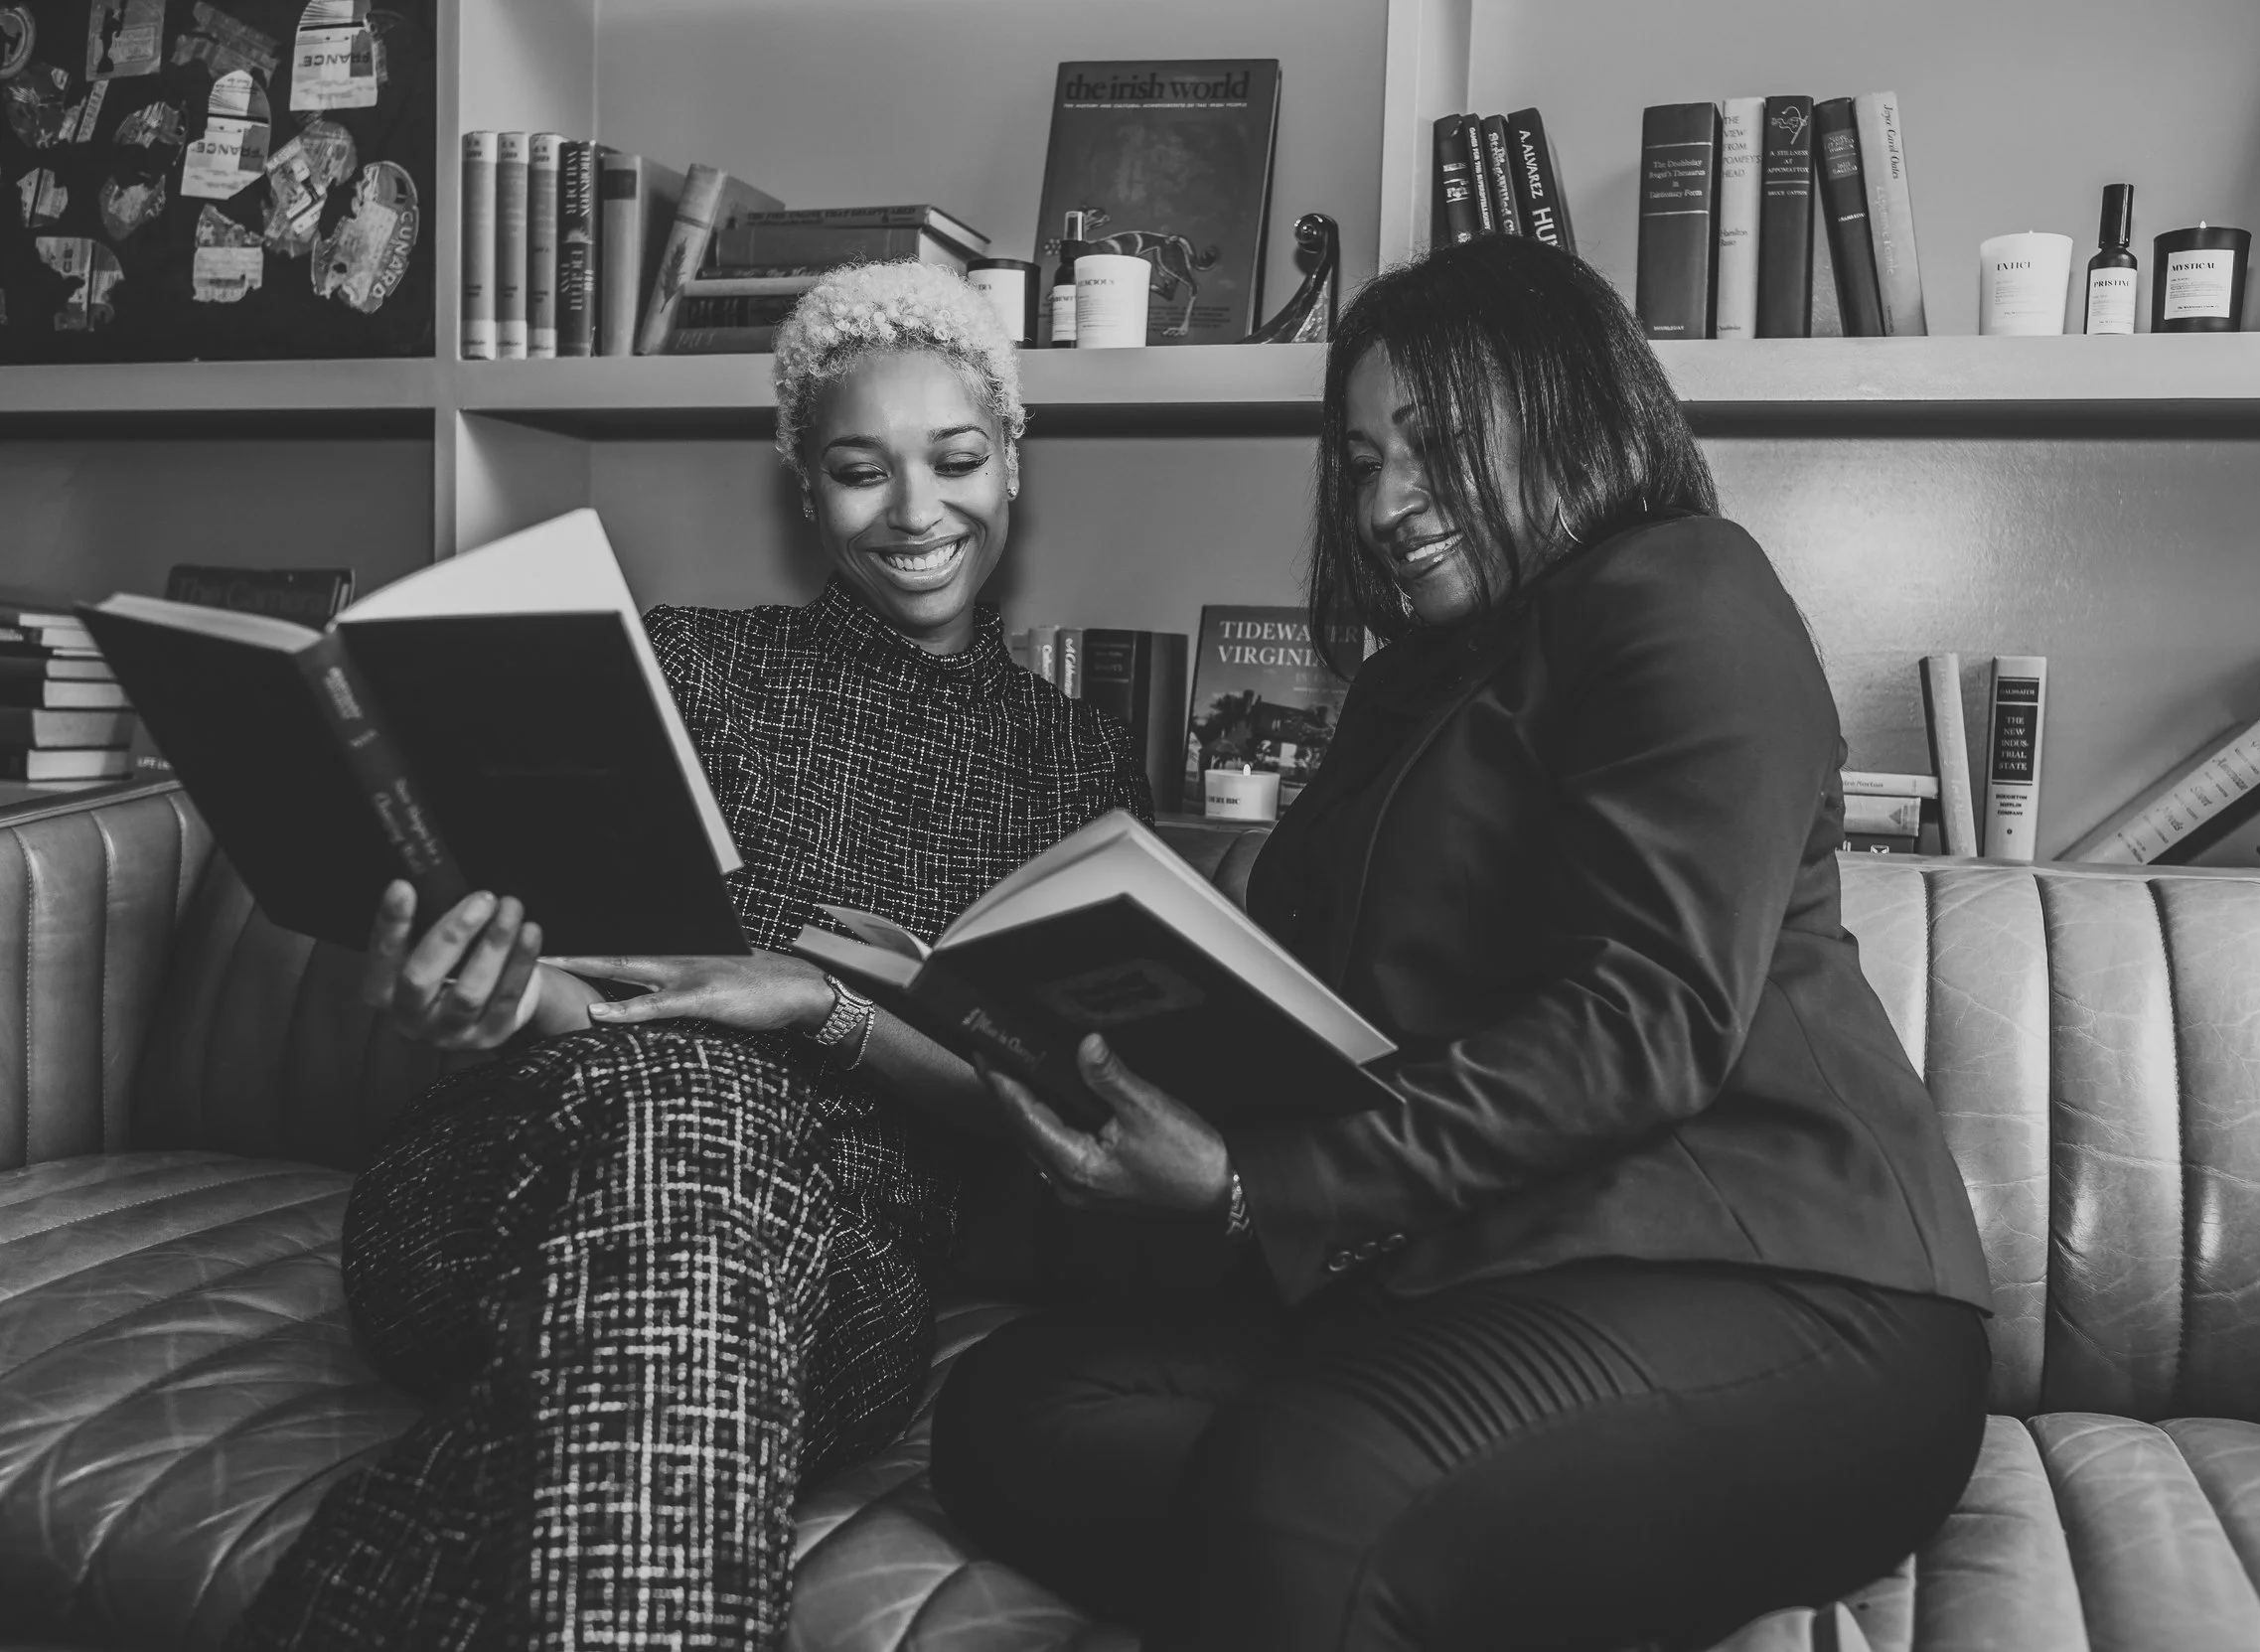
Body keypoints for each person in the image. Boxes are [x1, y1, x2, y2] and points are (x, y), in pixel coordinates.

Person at [928, 235, 1997, 1652]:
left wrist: (1255, 1184)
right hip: (1488, 1274)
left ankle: (1374, 1545)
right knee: (1017, 1415)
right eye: (1361, 460)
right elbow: (1322, 1017)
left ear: (1564, 406)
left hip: (1789, 1288)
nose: (1385, 499)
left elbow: (1646, 1021)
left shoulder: (1685, 590)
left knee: (1313, 1480)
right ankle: (1441, 1562)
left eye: (1433, 442)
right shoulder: (1403, 690)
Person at [229, 261, 1152, 1652]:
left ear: (1012, 463)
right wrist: (488, 994)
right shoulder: (687, 665)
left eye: (955, 459)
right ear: (803, 489)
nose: (914, 510)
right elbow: (577, 983)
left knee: (673, 1249)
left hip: (846, 1268)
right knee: (690, 1098)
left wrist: (822, 1006)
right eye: (858, 470)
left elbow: (1044, 1108)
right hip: (505, 1184)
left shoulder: (1071, 760)